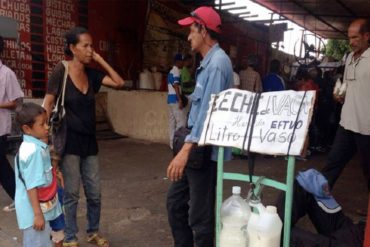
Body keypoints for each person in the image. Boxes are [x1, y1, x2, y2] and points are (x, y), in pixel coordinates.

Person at [43, 26, 124, 247]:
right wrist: (42, 138)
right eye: (85, 46)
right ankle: (70, 237)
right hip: (68, 143)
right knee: (71, 194)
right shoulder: (62, 71)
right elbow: (48, 103)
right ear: (72, 48)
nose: (90, 50)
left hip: (90, 144)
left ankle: (93, 231)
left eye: (92, 46)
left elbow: (119, 82)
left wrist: (100, 59)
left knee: (94, 193)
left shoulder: (92, 74)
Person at [167, 6, 233, 246]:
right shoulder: (208, 63)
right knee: (175, 204)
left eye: (191, 30)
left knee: (201, 217)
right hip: (194, 147)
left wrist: (184, 152)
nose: (188, 36)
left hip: (205, 151)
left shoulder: (217, 64)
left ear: (203, 30)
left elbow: (208, 115)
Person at [321, 19, 370, 191]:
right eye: (349, 38)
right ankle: (318, 202)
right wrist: (341, 95)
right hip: (346, 124)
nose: (351, 42)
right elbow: (350, 86)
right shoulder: (349, 58)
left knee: (368, 172)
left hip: (367, 128)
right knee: (331, 166)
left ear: (367, 36)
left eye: (355, 37)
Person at [14, 102, 63, 247]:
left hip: (37, 210)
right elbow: (31, 186)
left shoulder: (33, 146)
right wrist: (37, 215)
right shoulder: (33, 152)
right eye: (42, 124)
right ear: (27, 129)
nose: (47, 127)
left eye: (47, 123)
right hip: (34, 213)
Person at [275, 169, 365, 246]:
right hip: (360, 232)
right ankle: (272, 227)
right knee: (308, 181)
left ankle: (272, 233)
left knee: (284, 236)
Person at [0, 35, 24, 212]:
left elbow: (17, 102)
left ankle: (20, 197)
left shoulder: (7, 74)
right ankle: (20, 197)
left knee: (1, 166)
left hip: (0, 128)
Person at [168, 53, 187, 149]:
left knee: (172, 122)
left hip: (170, 99)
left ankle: (172, 144)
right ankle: (178, 144)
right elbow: (176, 85)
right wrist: (180, 100)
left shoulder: (171, 71)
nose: (183, 63)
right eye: (182, 61)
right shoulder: (176, 71)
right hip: (175, 99)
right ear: (178, 61)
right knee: (181, 122)